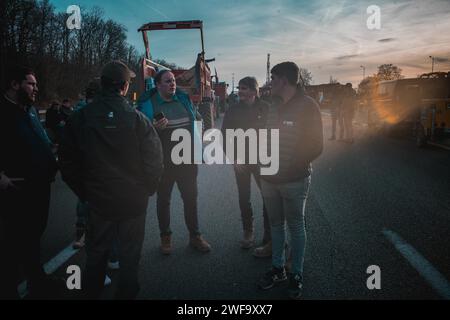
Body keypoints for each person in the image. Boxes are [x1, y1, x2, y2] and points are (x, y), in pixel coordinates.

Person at [59, 60, 163, 299]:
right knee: (130, 256)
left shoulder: (80, 117)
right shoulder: (138, 120)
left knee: (96, 255)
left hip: (98, 201)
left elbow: (66, 161)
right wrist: (147, 189)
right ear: (125, 87)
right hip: (132, 201)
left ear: (103, 84)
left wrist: (85, 192)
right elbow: (155, 161)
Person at [257, 62, 323, 299]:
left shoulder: (308, 106)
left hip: (294, 179)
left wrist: (291, 166)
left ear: (284, 80)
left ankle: (296, 273)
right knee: (276, 225)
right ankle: (277, 268)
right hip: (268, 178)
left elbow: (316, 144)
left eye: (273, 78)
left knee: (296, 226)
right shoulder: (272, 105)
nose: (270, 83)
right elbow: (266, 136)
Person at [0, 66, 59, 299]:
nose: (36, 88)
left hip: (40, 185)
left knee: (34, 237)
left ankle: (38, 281)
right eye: (31, 84)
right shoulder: (3, 112)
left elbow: (40, 139)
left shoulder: (31, 110)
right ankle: (8, 289)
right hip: (16, 188)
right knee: (13, 242)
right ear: (15, 85)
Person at [137, 70, 211, 255]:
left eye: (173, 81)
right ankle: (165, 237)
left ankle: (195, 236)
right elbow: (138, 133)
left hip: (187, 161)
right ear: (158, 84)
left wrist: (199, 133)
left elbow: (197, 118)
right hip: (162, 163)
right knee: (163, 200)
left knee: (191, 199)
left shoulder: (183, 100)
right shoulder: (148, 105)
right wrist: (153, 129)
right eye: (168, 81)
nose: (172, 84)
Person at [221, 76, 272, 256]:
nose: (240, 91)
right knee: (244, 197)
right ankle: (248, 231)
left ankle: (269, 236)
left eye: (243, 88)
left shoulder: (266, 108)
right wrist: (234, 158)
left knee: (268, 197)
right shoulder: (233, 110)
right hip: (241, 160)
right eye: (239, 88)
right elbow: (226, 135)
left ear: (253, 90)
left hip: (262, 160)